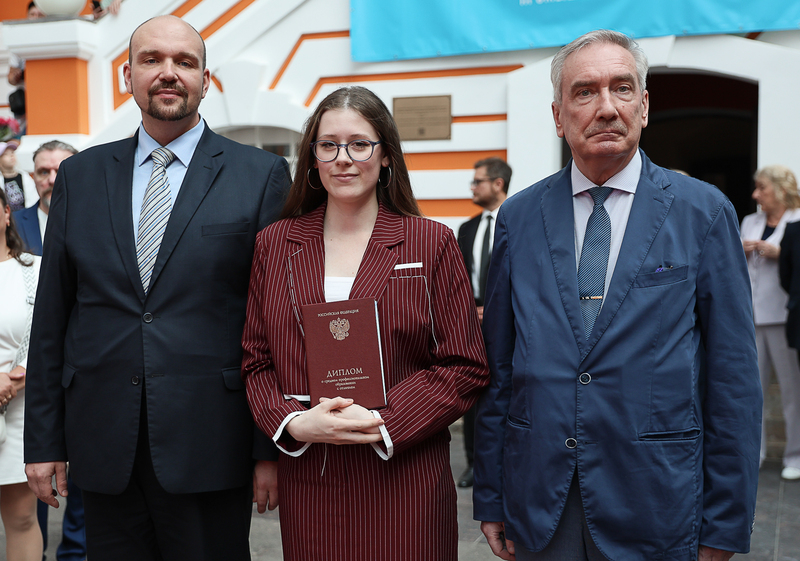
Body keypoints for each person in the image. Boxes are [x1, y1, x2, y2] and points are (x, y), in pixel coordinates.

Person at [473, 29, 761, 561]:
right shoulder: (519, 217)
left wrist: (725, 523)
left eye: (622, 88)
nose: (606, 107)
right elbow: (501, 368)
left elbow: (733, 379)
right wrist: (491, 493)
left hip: (656, 500)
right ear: (558, 116)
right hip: (541, 503)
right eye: (584, 92)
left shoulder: (703, 212)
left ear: (644, 106)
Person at [23, 15, 289, 561]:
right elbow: (53, 318)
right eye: (152, 60)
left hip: (211, 443)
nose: (169, 73)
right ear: (128, 76)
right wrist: (44, 441)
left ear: (205, 80)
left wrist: (269, 448)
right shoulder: (79, 176)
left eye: (184, 62)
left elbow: (276, 323)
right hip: (103, 441)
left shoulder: (260, 175)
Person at [241, 85, 490, 560]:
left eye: (359, 144)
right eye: (328, 145)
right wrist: (292, 421)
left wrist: (383, 420)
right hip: (312, 477)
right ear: (313, 158)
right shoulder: (275, 244)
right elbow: (256, 360)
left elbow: (465, 364)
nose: (343, 159)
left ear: (386, 155)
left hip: (406, 476)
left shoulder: (430, 242)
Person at [455, 156, 511, 488]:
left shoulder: (520, 222)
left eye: (478, 181)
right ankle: (474, 464)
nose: (473, 188)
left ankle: (507, 463)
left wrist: (494, 308)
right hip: (471, 327)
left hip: (509, 325)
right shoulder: (467, 228)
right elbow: (457, 280)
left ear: (498, 184)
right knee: (472, 394)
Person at [741, 165, 800, 481]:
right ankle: (756, 454)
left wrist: (779, 252)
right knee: (753, 391)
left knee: (793, 391)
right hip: (751, 316)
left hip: (784, 317)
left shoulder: (797, 220)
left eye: (762, 187)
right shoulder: (750, 221)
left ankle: (795, 456)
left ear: (780, 189)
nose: (756, 194)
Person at [0, 187, 43, 561]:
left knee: (22, 518)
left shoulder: (35, 269)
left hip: (19, 408)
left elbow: (53, 331)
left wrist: (22, 373)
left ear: (6, 214)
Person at [14, 141, 78, 256]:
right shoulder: (12, 224)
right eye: (44, 172)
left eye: (61, 172)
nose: (52, 180)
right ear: (33, 177)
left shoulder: (99, 222)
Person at [7, 2, 45, 135]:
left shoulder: (49, 38)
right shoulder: (19, 41)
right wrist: (16, 76)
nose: (35, 18)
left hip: (45, 97)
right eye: (32, 14)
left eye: (39, 15)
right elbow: (10, 78)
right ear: (27, 16)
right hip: (24, 102)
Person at [1, 141, 38, 212]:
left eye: (12, 153)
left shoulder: (25, 177)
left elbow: (33, 198)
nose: (11, 156)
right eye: (6, 154)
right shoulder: (1, 180)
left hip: (24, 215)